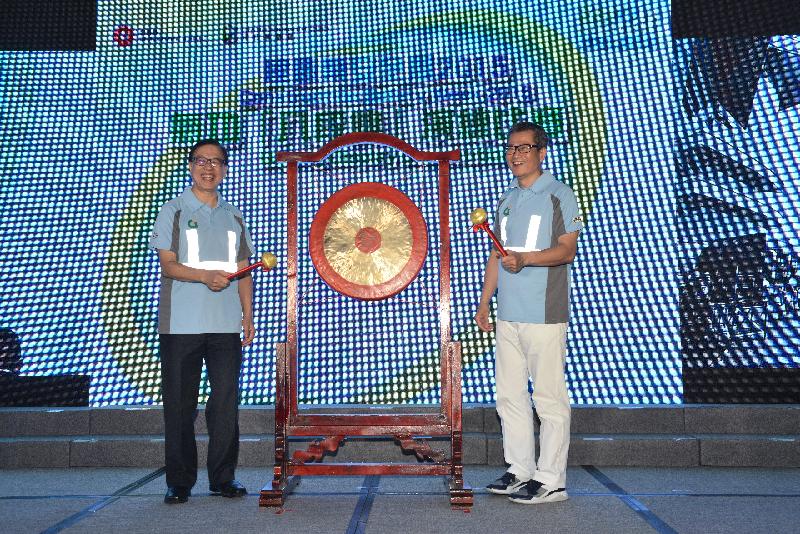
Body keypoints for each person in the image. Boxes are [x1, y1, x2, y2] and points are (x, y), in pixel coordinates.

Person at [475, 121, 582, 505]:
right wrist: (486, 301)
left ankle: (552, 479)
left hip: (544, 312)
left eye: (524, 147)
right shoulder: (506, 200)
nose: (516, 154)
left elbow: (566, 251)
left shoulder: (559, 195)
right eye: (511, 148)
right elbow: (497, 256)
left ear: (542, 152)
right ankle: (520, 470)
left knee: (549, 399)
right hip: (508, 314)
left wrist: (527, 260)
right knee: (510, 396)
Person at [150, 139, 255, 504]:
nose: (208, 167)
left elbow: (244, 270)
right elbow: (169, 264)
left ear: (225, 169)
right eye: (201, 161)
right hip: (181, 324)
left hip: (225, 325)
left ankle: (223, 478)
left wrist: (248, 315)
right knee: (180, 403)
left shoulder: (234, 215)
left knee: (225, 402)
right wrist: (204, 276)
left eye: (216, 162)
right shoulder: (173, 209)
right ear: (190, 166)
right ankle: (179, 481)